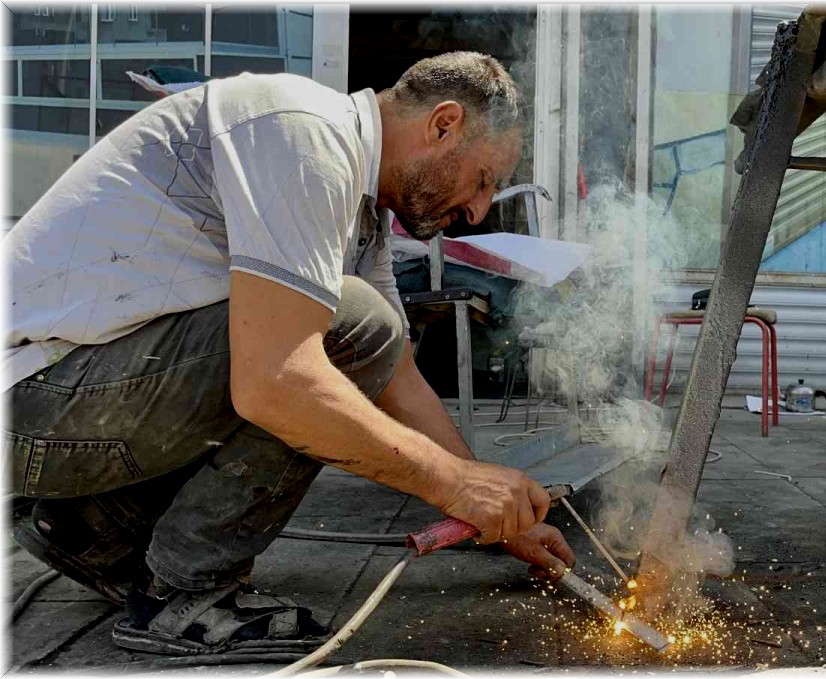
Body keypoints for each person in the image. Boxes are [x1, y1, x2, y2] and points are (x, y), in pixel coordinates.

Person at [4, 52, 575, 655]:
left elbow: (394, 376)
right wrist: (455, 486)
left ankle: (94, 527)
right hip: (33, 406)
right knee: (342, 327)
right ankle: (186, 592)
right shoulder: (304, 136)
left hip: (59, 406)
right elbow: (277, 380)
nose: (477, 212)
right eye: (483, 179)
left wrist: (491, 506)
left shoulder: (360, 207)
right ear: (444, 124)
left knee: (358, 328)